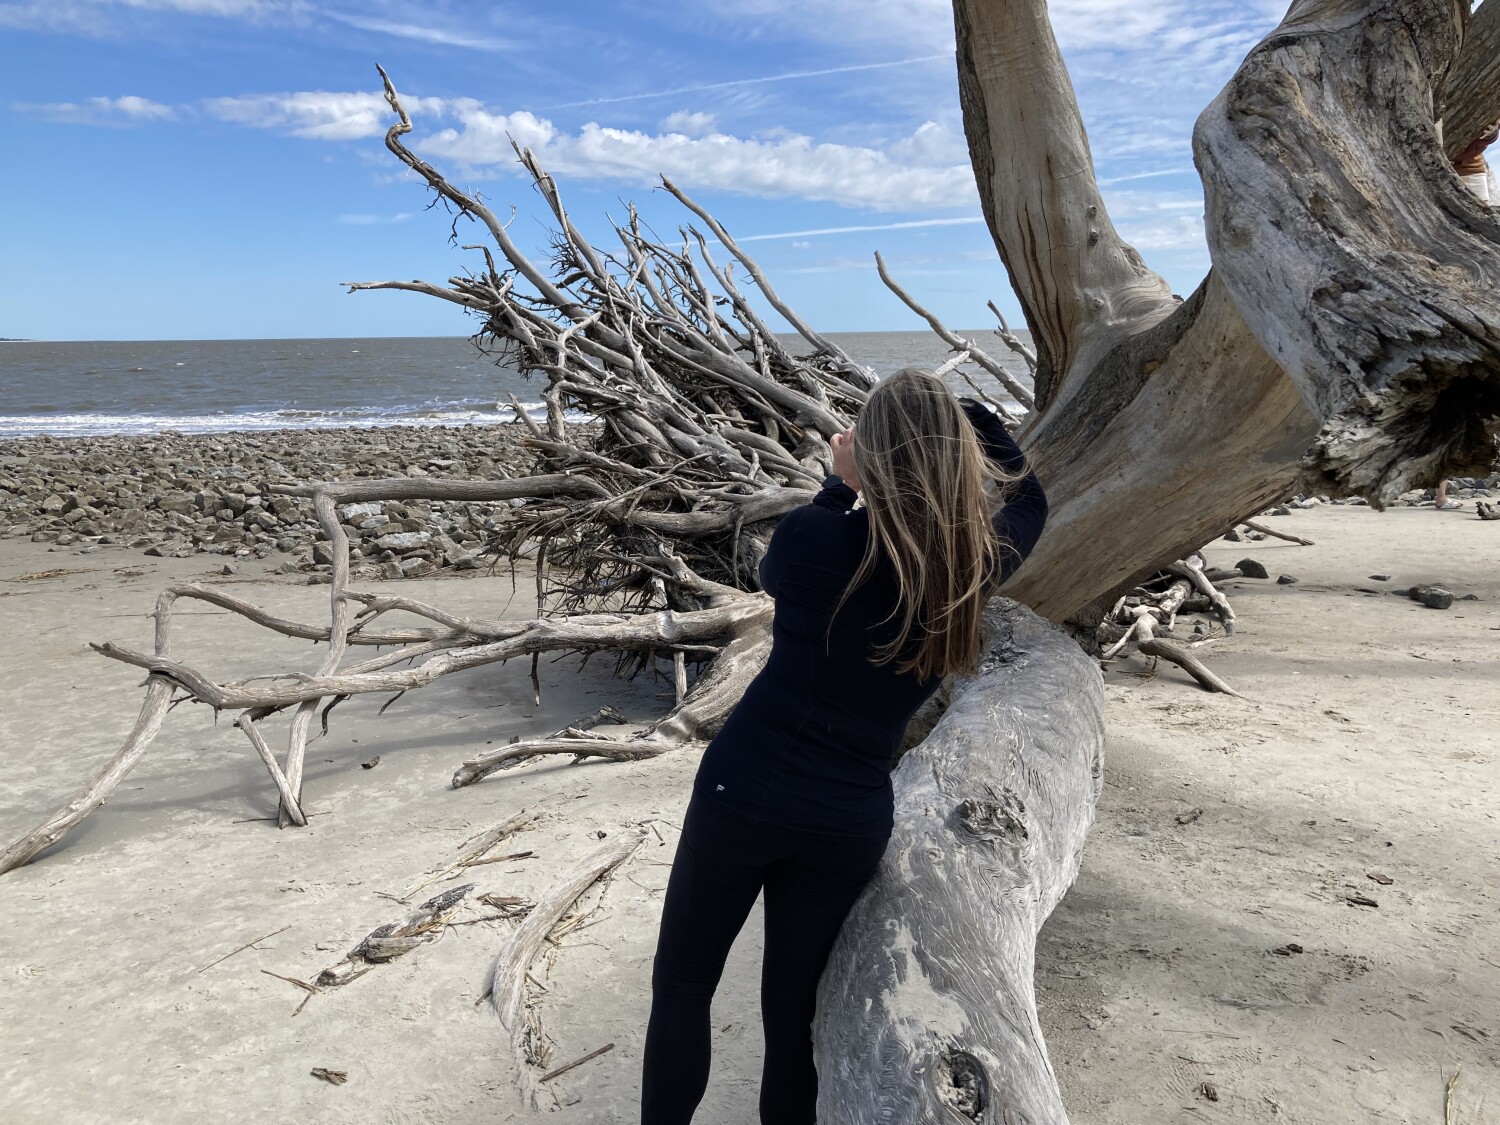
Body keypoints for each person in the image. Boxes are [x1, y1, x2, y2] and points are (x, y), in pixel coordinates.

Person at [640, 368, 1049, 1124]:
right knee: (791, 1020)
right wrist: (969, 417)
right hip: (846, 818)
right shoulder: (973, 564)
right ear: (952, 456)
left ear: (873, 457)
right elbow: (1032, 500)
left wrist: (841, 484)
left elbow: (773, 569)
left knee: (685, 985)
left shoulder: (816, 538)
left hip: (745, 789)